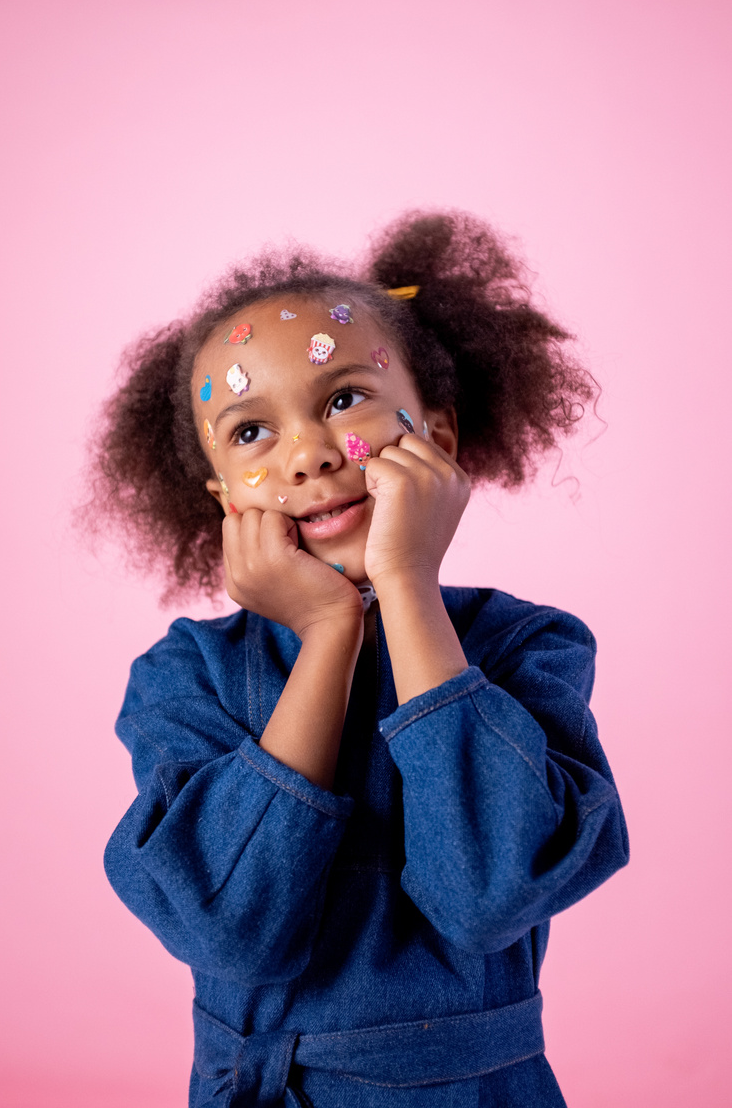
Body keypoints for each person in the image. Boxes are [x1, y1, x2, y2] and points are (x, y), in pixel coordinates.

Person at [97, 210, 629, 1107]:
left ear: (439, 438)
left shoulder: (528, 645)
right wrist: (327, 632)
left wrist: (406, 584)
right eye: (251, 432)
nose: (308, 454)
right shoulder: (182, 677)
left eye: (343, 399)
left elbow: (493, 893)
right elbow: (230, 931)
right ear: (223, 499)